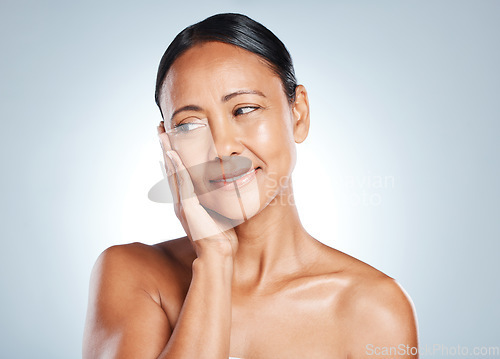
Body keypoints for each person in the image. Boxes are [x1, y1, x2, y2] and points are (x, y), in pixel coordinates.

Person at [83, 13, 418, 359]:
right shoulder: (133, 273)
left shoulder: (374, 309)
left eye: (244, 109)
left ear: (298, 114)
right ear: (166, 142)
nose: (222, 147)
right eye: (188, 126)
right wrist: (214, 260)